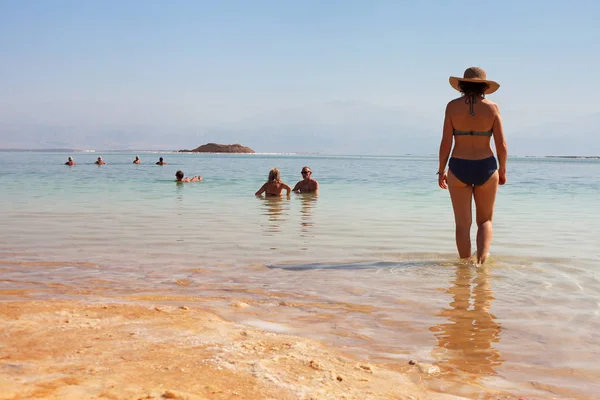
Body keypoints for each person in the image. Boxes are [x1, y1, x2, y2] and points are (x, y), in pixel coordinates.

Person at [437, 67, 507, 264]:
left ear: (462, 85)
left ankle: (465, 268)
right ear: (484, 86)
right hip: (486, 167)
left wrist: (441, 170)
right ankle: (481, 263)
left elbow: (445, 143)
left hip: (459, 166)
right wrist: (502, 170)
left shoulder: (452, 107)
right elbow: (501, 145)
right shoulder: (492, 108)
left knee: (462, 224)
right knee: (485, 221)